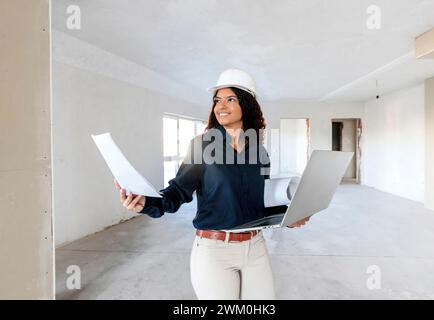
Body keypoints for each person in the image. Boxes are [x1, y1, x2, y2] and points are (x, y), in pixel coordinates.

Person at [114, 68, 310, 300]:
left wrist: (290, 216)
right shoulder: (202, 146)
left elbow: (262, 200)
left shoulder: (260, 151)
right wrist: (145, 203)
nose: (220, 106)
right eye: (217, 100)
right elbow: (177, 192)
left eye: (230, 99)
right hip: (215, 250)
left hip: (255, 245)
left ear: (246, 105)